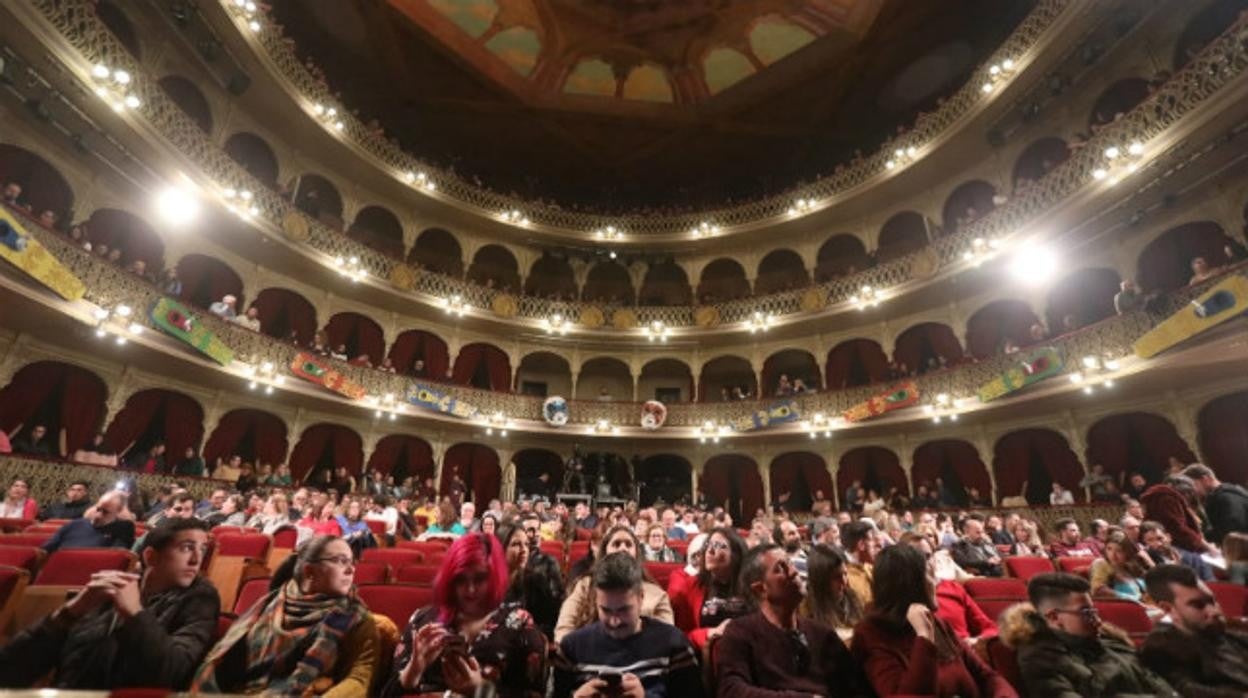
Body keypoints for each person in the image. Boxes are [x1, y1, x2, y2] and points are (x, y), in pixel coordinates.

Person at [0, 517, 219, 690]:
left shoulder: (200, 598)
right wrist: (70, 613)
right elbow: (10, 669)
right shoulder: (111, 588)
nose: (196, 560)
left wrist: (135, 614)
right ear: (151, 557)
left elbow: (171, 674)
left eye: (202, 549)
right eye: (187, 548)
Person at [193, 536, 377, 694]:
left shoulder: (355, 618)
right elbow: (226, 659)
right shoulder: (269, 603)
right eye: (341, 561)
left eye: (352, 562)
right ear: (309, 571)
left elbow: (358, 681)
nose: (351, 569)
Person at [384, 533, 547, 697]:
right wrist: (413, 670)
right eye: (460, 579)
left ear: (494, 577)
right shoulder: (423, 619)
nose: (470, 589)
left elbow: (534, 694)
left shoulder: (519, 625)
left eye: (480, 578)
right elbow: (386, 693)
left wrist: (480, 691)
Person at [851, 545, 1016, 697]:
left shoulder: (937, 622)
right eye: (930, 573)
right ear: (910, 585)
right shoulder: (872, 635)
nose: (936, 581)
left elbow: (986, 675)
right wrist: (923, 638)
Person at [717, 544, 871, 697]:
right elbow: (731, 690)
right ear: (761, 589)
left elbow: (857, 688)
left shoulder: (821, 634)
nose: (794, 572)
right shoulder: (741, 633)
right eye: (780, 569)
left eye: (790, 563)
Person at [1001, 572, 1177, 697]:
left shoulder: (1107, 638)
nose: (1098, 620)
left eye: (1094, 611)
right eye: (1086, 613)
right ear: (1055, 617)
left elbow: (1154, 677)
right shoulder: (1040, 658)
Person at [553, 552, 704, 698]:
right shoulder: (571, 648)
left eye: (624, 610)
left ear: (641, 599)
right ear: (596, 602)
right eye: (605, 610)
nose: (614, 621)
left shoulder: (674, 645)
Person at [1140, 564, 1248, 696]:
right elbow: (1189, 691)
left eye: (1212, 601)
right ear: (1168, 609)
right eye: (1198, 605)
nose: (1214, 611)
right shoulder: (1159, 648)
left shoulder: (1219, 629)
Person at [557, 525, 673, 642]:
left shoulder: (657, 594)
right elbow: (564, 628)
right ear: (605, 551)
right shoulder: (585, 586)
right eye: (616, 544)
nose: (623, 549)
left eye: (628, 544)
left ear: (637, 553)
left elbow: (665, 638)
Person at [668, 526, 749, 651]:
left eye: (720, 546)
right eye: (708, 544)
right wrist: (709, 633)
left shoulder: (751, 586)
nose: (710, 550)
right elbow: (679, 635)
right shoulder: (690, 587)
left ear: (736, 556)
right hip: (708, 654)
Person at [497, 522, 565, 639]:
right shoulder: (487, 582)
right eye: (516, 544)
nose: (524, 550)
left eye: (526, 544)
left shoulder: (536, 581)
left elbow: (551, 621)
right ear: (500, 548)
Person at [803, 544, 865, 642]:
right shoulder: (806, 607)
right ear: (821, 580)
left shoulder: (852, 596)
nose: (844, 581)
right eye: (836, 577)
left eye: (845, 574)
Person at [43, 491, 136, 552]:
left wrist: (122, 500)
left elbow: (116, 557)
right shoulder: (74, 524)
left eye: (105, 512)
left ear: (118, 512)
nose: (98, 515)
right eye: (98, 509)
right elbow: (45, 550)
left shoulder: (123, 528)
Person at [1142, 475, 1213, 554]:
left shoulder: (1159, 497)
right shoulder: (1168, 499)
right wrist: (1204, 545)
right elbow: (1177, 527)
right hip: (1175, 547)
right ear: (1185, 493)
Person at [1184, 463, 1248, 546]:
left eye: (1193, 485)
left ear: (1205, 479)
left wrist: (1205, 536)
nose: (1193, 491)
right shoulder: (1224, 495)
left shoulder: (1226, 497)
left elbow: (1233, 528)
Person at [1140, 520, 1215, 581]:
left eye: (1160, 538)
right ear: (1145, 542)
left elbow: (1210, 581)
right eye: (1150, 540)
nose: (1158, 544)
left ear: (1168, 537)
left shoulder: (1193, 558)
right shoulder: (1147, 563)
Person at [1088, 529, 1149, 602]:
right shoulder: (1101, 563)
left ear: (1127, 552)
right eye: (1109, 549)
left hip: (1147, 605)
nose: (1113, 555)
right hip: (1123, 607)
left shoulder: (1131, 566)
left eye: (1119, 550)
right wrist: (1132, 598)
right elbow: (1098, 590)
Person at [841, 520, 880, 605]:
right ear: (861, 545)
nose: (877, 544)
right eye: (871, 540)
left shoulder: (869, 567)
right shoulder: (843, 575)